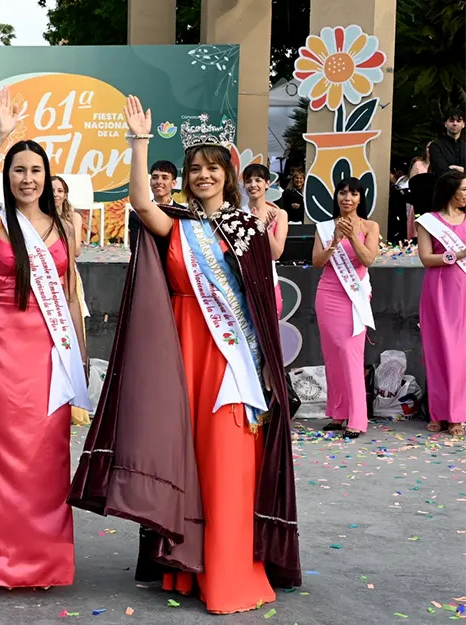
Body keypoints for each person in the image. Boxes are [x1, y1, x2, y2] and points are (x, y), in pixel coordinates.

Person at [70, 95, 301, 614]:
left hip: (228, 362)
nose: (202, 176)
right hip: (179, 359)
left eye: (212, 168)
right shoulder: (176, 224)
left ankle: (230, 569)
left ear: (228, 174)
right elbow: (140, 204)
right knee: (186, 462)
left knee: (228, 461)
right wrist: (138, 143)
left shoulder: (247, 232)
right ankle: (186, 569)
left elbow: (260, 308)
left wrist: (266, 369)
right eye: (194, 168)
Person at [0, 87, 91, 589]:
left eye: (36, 170)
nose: (27, 178)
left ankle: (44, 562)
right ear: (9, 177)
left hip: (52, 353)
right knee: (3, 457)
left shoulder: (64, 226)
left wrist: (80, 357)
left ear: (47, 176)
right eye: (19, 170)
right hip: (5, 351)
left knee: (46, 459)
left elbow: (71, 293)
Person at [312, 178, 379, 439]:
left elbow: (368, 259)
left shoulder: (370, 226)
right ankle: (339, 412)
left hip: (355, 295)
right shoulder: (325, 227)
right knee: (332, 355)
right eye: (342, 193)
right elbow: (317, 262)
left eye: (353, 193)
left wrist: (352, 235)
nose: (347, 198)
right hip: (328, 293)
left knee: (351, 352)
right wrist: (335, 240)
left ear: (361, 199)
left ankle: (358, 419)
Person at [414, 171, 466, 436]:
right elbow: (426, 258)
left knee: (459, 354)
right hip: (438, 289)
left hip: (463, 290)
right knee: (436, 352)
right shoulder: (428, 222)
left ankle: (457, 415)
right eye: (464, 189)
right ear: (451, 191)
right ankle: (438, 413)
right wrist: (457, 254)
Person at [51, 175, 91, 426]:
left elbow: (75, 251)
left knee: (72, 331)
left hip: (67, 273)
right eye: (52, 190)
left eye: (60, 190)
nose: (56, 194)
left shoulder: (72, 218)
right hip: (47, 279)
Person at [243, 163, 288, 315]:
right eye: (248, 181)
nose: (253, 185)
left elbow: (276, 254)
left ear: (267, 184)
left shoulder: (279, 214)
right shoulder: (237, 214)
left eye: (258, 180)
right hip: (243, 283)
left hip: (268, 281)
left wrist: (264, 229)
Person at [429, 109, 466, 174]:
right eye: (451, 121)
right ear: (445, 124)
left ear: (463, 124)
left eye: (458, 121)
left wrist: (463, 170)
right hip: (444, 183)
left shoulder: (465, 146)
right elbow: (441, 170)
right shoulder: (436, 145)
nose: (455, 123)